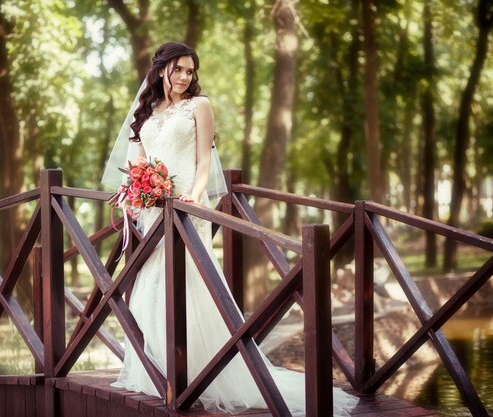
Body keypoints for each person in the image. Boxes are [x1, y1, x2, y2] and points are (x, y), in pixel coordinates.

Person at [102, 41, 358, 416]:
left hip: (187, 208)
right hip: (156, 212)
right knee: (149, 289)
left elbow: (204, 157)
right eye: (178, 70)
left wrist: (193, 194)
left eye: (190, 71)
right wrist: (135, 192)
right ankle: (160, 375)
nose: (185, 77)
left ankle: (198, 375)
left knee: (191, 288)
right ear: (161, 71)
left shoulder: (199, 107)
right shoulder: (149, 112)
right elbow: (139, 164)